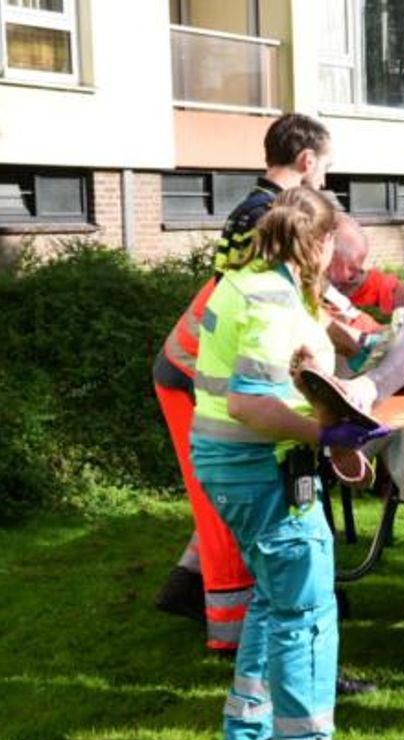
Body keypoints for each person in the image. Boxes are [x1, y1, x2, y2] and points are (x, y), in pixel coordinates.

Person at [191, 187, 378, 740]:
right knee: (306, 606)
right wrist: (322, 436)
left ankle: (248, 727)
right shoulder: (271, 296)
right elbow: (250, 402)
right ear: (320, 243)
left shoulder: (249, 281)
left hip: (235, 463)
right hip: (259, 464)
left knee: (274, 599)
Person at [153, 113, 335, 653]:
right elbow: (281, 308)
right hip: (206, 375)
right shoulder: (272, 219)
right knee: (234, 505)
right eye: (325, 167)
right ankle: (232, 639)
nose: (325, 178)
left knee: (226, 502)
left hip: (203, 367)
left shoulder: (252, 210)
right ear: (306, 161)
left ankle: (187, 590)